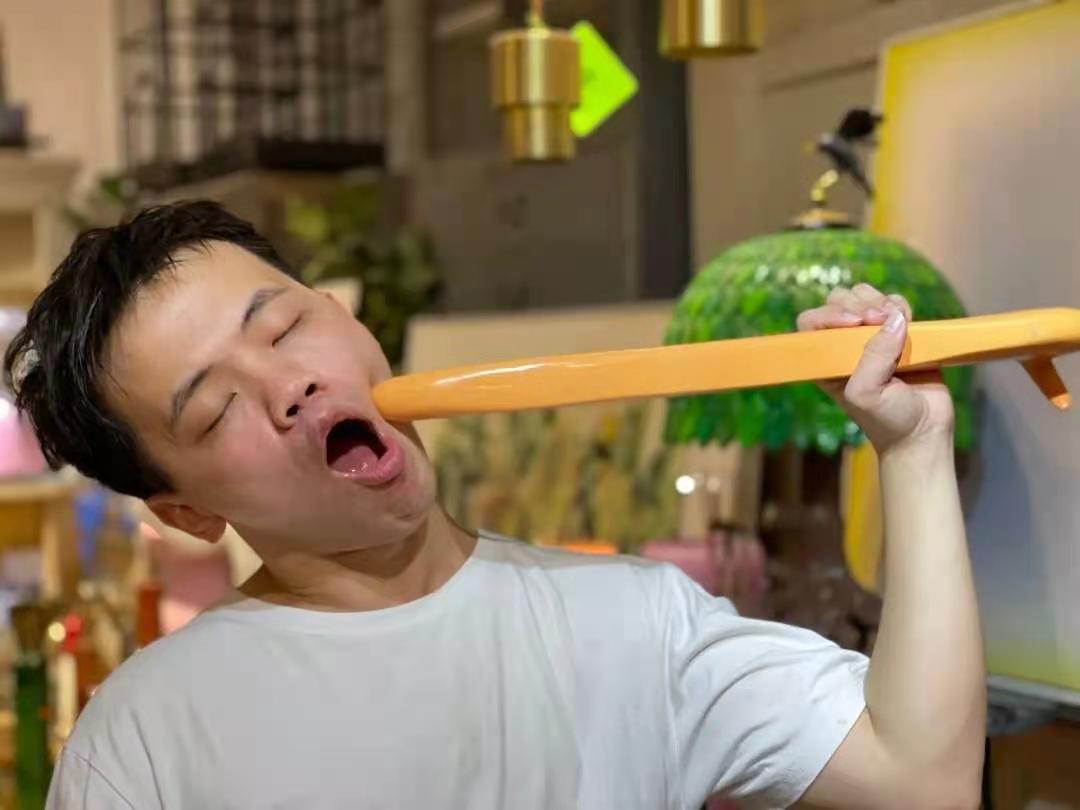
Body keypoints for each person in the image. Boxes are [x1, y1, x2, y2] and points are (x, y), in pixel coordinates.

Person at [5, 202, 985, 809]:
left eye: (286, 325)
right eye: (216, 410)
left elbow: (921, 779)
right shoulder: (148, 733)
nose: (286, 386)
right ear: (186, 513)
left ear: (348, 321)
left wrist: (911, 445)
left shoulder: (633, 623)